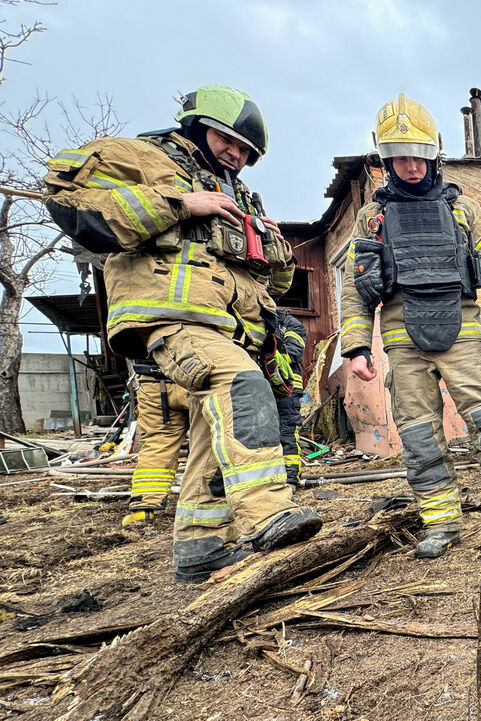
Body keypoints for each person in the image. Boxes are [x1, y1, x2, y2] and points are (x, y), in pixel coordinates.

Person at [44, 84, 322, 582]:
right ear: (197, 125)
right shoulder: (144, 157)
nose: (236, 156)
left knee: (210, 437)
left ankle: (201, 549)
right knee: (241, 387)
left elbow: (273, 284)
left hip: (230, 327)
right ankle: (267, 514)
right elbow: (66, 196)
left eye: (246, 152)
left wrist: (274, 247)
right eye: (228, 141)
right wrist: (179, 203)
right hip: (173, 319)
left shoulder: (240, 197)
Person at [340, 93, 481, 560]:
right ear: (386, 158)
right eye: (400, 157)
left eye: (419, 156)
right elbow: (356, 287)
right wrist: (356, 347)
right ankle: (442, 525)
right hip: (401, 343)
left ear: (432, 153)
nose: (411, 166)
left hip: (464, 334)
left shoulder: (465, 210)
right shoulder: (370, 219)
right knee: (418, 440)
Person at [121, 359, 189, 527]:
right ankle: (205, 505)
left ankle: (143, 510)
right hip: (198, 380)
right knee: (209, 443)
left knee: (157, 443)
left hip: (152, 381)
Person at [274, 307, 307, 489]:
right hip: (263, 386)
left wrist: (267, 352)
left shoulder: (291, 325)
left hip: (288, 387)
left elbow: (293, 353)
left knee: (286, 431)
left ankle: (291, 478)